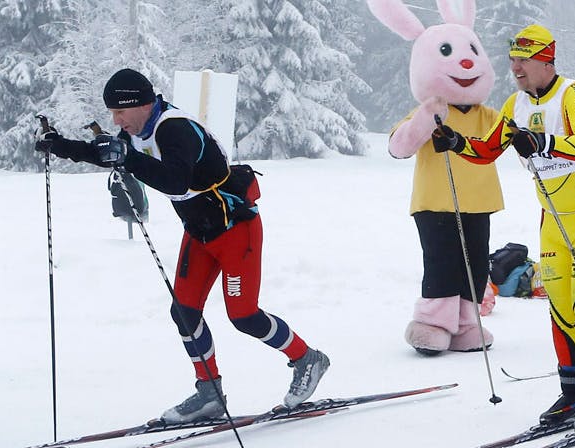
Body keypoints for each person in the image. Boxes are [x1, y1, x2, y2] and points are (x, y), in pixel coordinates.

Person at [35, 69, 330, 421]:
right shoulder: (138, 129)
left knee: (244, 316)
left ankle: (306, 358)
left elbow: (175, 183)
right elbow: (111, 153)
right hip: (199, 232)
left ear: (141, 104)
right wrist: (60, 145)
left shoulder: (174, 128)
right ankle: (209, 393)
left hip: (236, 231)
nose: (116, 120)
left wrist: (127, 157)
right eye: (112, 113)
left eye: (120, 112)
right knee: (185, 313)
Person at [433, 24, 575, 428]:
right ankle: (573, 393)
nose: (515, 67)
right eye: (512, 59)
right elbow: (488, 150)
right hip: (553, 217)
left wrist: (542, 142)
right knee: (559, 309)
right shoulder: (514, 104)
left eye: (523, 58)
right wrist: (456, 143)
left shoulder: (573, 92)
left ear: (545, 60)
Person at [370, 0, 502, 355]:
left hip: (479, 201)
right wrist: (425, 121)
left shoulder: (486, 114)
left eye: (472, 50)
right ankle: (432, 323)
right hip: (437, 202)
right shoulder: (429, 111)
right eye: (447, 52)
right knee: (441, 261)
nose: (466, 61)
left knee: (475, 264)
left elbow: (503, 138)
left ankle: (465, 324)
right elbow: (399, 146)